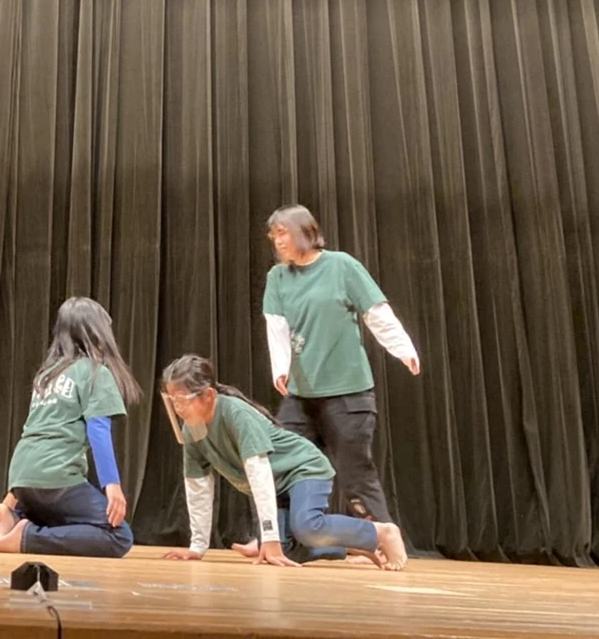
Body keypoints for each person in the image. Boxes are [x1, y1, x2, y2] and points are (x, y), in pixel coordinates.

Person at [158, 354, 408, 570]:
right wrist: (197, 547)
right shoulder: (191, 431)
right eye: (172, 400)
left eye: (182, 399)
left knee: (306, 528)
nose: (177, 408)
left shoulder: (236, 414)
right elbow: (197, 487)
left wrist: (269, 536)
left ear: (209, 395)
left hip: (303, 469)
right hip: (276, 485)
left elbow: (260, 474)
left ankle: (380, 532)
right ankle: (351, 545)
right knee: (281, 553)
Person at [263, 204, 419, 533]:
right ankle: (275, 537)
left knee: (354, 471)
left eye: (283, 233)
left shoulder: (342, 265)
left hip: (347, 393)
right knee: (283, 463)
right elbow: (275, 326)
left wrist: (403, 348)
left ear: (304, 231)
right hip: (300, 394)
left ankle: (382, 536)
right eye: (273, 235)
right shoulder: (277, 276)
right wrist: (280, 367)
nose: (278, 241)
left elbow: (375, 311)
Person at [0, 297, 141, 558]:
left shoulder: (48, 374)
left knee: (60, 515)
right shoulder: (94, 371)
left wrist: (10, 498)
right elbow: (98, 430)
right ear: (96, 333)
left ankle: (11, 515)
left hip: (22, 476)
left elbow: (33, 429)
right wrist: (112, 486)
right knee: (118, 535)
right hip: (56, 478)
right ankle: (27, 537)